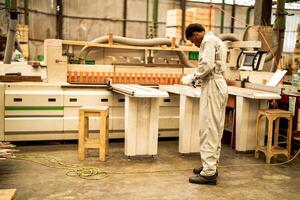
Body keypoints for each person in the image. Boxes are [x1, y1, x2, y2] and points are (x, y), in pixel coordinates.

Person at [181, 23, 228, 185]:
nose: (194, 44)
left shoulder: (208, 41)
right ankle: (210, 165)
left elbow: (206, 65)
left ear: (196, 34)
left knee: (208, 129)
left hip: (213, 86)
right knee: (215, 128)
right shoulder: (217, 40)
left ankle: (208, 173)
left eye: (193, 41)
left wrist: (193, 77)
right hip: (217, 84)